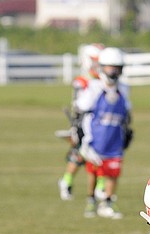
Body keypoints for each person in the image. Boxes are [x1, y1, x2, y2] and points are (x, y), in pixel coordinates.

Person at [75, 46, 133, 219]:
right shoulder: (94, 87)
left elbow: (126, 112)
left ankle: (107, 202)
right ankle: (91, 200)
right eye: (110, 67)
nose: (114, 71)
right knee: (94, 172)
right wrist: (84, 140)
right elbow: (82, 110)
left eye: (117, 67)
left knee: (113, 173)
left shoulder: (123, 88)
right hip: (96, 138)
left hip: (115, 138)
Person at [58, 43, 106, 202]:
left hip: (100, 125)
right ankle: (66, 181)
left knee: (101, 156)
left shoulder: (102, 80)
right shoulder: (83, 81)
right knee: (79, 156)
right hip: (83, 124)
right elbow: (80, 104)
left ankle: (100, 186)